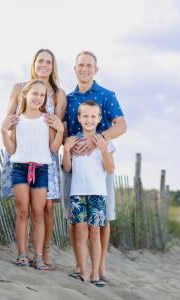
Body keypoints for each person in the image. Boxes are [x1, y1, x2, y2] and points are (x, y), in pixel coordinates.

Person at [63, 51, 127, 283]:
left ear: (96, 70)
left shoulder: (106, 95)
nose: (85, 69)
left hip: (99, 162)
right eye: (81, 65)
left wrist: (96, 139)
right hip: (74, 163)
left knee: (103, 219)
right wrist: (67, 147)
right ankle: (81, 268)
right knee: (75, 220)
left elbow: (121, 126)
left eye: (89, 65)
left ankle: (99, 270)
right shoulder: (68, 98)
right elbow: (63, 128)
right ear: (75, 68)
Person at [1, 49, 67, 266]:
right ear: (34, 63)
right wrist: (5, 129)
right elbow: (10, 120)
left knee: (44, 209)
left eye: (49, 62)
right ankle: (22, 253)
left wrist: (59, 131)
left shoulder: (58, 93)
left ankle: (41, 254)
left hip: (45, 158)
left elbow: (55, 132)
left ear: (53, 66)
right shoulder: (20, 88)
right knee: (22, 210)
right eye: (40, 61)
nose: (44, 65)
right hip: (20, 154)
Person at [63, 101, 115, 287]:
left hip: (98, 194)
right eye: (85, 116)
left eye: (93, 116)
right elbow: (67, 168)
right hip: (77, 193)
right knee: (80, 232)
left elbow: (110, 169)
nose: (89, 119)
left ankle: (95, 274)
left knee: (95, 233)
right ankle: (83, 272)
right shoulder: (73, 141)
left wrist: (103, 150)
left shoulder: (105, 142)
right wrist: (67, 150)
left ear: (99, 119)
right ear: (79, 118)